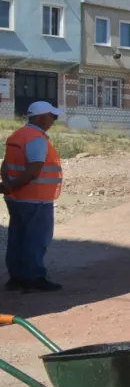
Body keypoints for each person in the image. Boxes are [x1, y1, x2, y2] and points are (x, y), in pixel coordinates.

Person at [1, 101, 64, 292]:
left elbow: (5, 164)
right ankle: (34, 277)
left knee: (17, 238)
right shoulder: (36, 139)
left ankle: (17, 277)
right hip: (35, 199)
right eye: (52, 116)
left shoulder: (16, 136)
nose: (53, 120)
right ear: (41, 117)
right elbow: (33, 170)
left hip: (15, 198)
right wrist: (12, 185)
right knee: (36, 240)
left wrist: (8, 186)